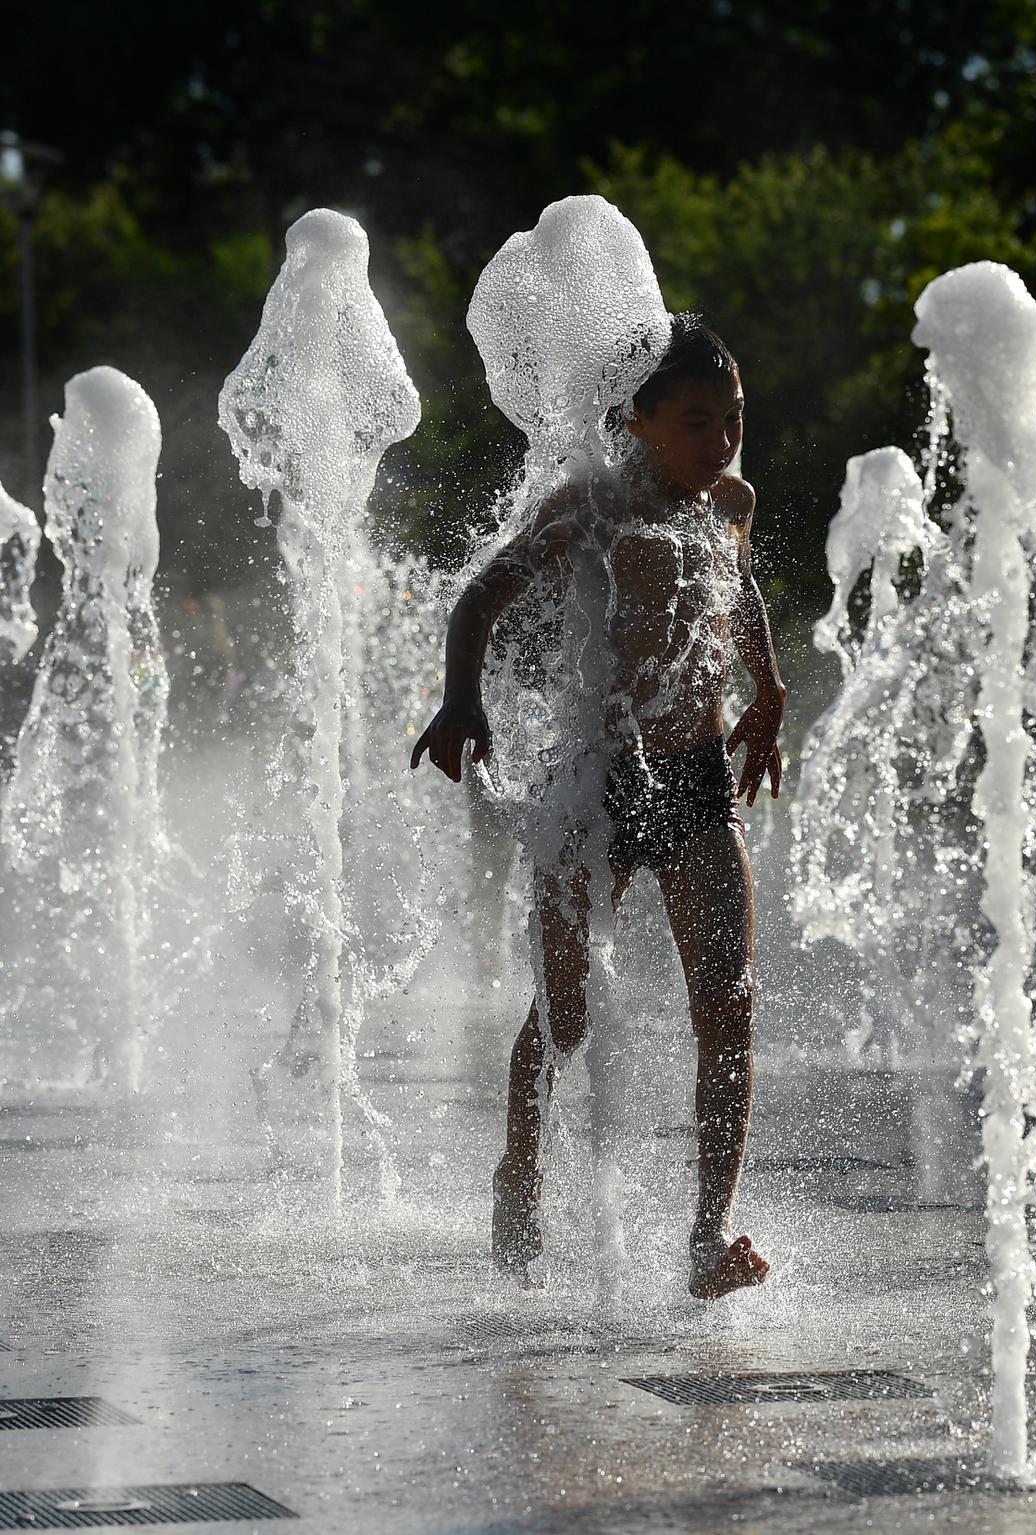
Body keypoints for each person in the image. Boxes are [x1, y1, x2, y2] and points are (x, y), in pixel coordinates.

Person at [411, 317, 783, 1299]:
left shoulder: (729, 503)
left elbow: (737, 597)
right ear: (638, 420)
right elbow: (477, 599)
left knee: (731, 1007)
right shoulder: (591, 507)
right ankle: (518, 1176)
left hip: (697, 779)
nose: (721, 441)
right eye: (697, 421)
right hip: (598, 786)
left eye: (733, 419)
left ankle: (708, 1236)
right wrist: (462, 698)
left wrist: (770, 690)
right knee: (567, 1012)